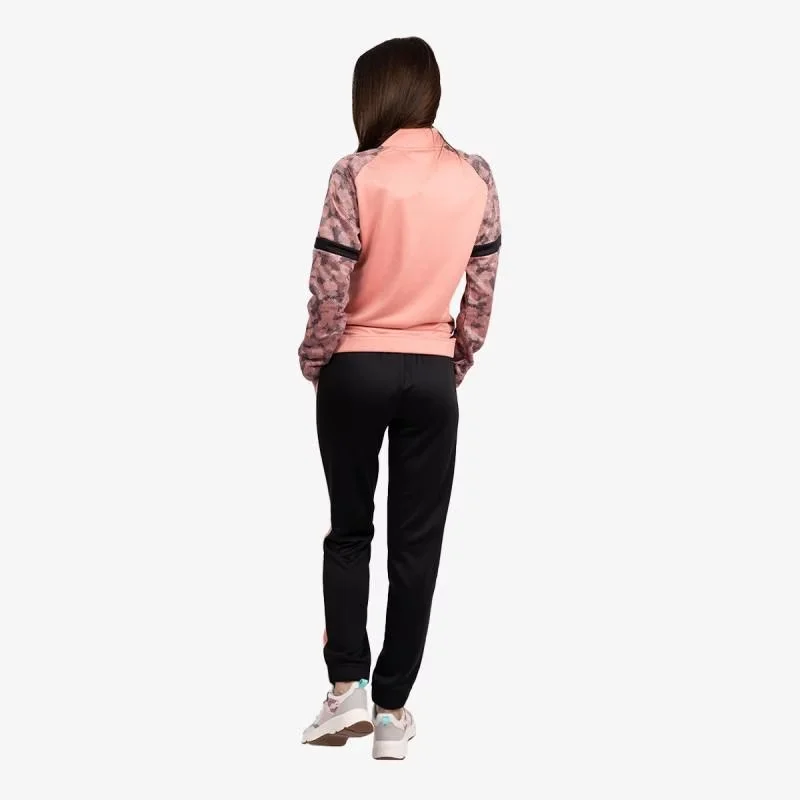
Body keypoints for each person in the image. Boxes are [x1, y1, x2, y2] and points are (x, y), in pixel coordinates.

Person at [298, 36, 501, 760]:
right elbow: (481, 288)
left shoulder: (355, 173)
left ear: (373, 95)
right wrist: (456, 359)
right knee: (417, 547)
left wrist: (317, 358)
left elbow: (330, 282)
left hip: (354, 368)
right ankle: (391, 714)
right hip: (431, 374)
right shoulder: (475, 176)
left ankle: (345, 688)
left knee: (350, 529)